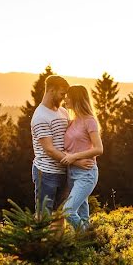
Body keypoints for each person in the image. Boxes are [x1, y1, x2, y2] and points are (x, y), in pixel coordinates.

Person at [30, 75, 85, 216]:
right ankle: (43, 239)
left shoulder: (63, 112)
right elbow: (49, 149)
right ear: (51, 91)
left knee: (61, 214)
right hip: (46, 173)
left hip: (64, 171)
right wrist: (77, 161)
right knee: (44, 215)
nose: (64, 98)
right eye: (62, 94)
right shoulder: (40, 116)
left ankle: (58, 239)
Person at [59, 85, 103, 229]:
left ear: (76, 99)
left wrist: (74, 157)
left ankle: (90, 237)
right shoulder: (72, 121)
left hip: (86, 174)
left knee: (68, 211)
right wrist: (75, 160)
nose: (65, 99)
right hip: (72, 173)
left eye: (68, 96)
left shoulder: (89, 120)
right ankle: (85, 246)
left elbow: (98, 148)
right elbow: (65, 150)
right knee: (83, 215)